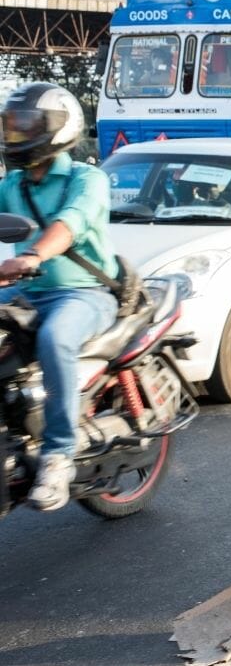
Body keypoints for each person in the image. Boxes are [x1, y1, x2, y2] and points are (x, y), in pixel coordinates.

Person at [0, 82, 120, 511]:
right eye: (12, 126)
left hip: (84, 293)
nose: (15, 134)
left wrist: (31, 256)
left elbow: (69, 224)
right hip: (28, 292)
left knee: (55, 339)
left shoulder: (87, 178)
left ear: (59, 128)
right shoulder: (12, 183)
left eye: (26, 125)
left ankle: (58, 456)